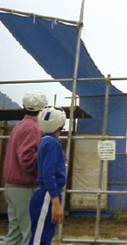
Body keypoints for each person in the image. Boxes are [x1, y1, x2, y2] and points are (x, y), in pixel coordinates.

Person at [3, 91, 47, 245]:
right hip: (25, 187)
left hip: (12, 186)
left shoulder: (19, 126)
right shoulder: (33, 128)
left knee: (14, 234)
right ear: (42, 109)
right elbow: (28, 160)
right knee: (30, 234)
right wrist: (48, 159)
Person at [28, 106, 67, 245]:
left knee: (44, 237)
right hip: (48, 195)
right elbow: (48, 173)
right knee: (39, 240)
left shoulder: (47, 141)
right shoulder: (52, 143)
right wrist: (55, 202)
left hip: (48, 194)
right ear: (61, 125)